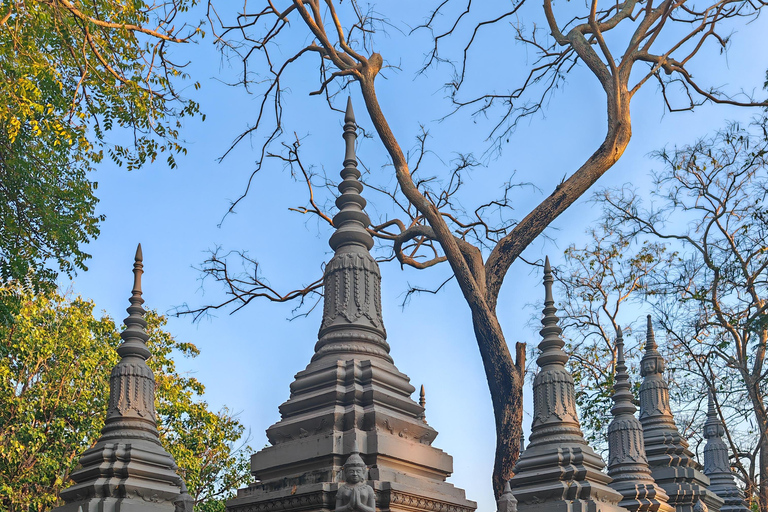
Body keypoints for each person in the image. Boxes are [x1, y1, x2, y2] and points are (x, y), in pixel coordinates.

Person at [335, 443, 375, 512]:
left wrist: (360, 505)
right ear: (346, 472)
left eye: (358, 471)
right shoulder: (342, 489)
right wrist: (348, 506)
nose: (355, 474)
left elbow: (372, 510)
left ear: (363, 472)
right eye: (351, 471)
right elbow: (337, 510)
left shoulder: (368, 489)